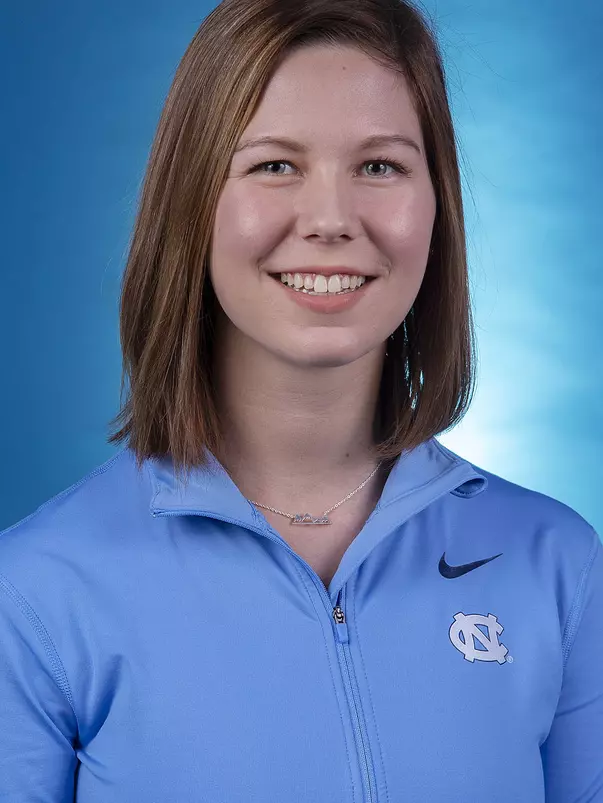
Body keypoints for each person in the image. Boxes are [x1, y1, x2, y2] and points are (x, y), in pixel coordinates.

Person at [1, 0, 602, 800]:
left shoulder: (558, 565)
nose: (329, 220)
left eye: (379, 166)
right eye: (274, 165)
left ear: (436, 204)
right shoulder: (37, 591)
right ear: (192, 202)